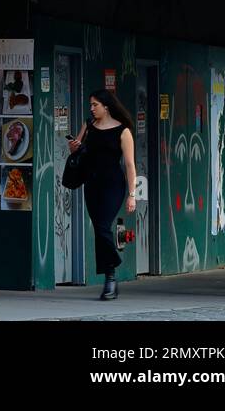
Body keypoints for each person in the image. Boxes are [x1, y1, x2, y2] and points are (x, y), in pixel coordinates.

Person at [68, 90, 136, 300]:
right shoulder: (88, 126)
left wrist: (132, 194)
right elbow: (76, 151)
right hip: (92, 183)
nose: (91, 108)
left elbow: (130, 164)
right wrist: (73, 147)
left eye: (95, 104)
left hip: (113, 184)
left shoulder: (123, 131)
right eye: (90, 104)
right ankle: (110, 275)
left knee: (103, 226)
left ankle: (111, 273)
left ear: (106, 106)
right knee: (99, 229)